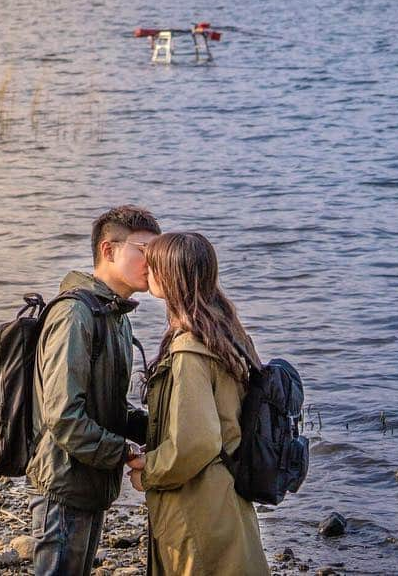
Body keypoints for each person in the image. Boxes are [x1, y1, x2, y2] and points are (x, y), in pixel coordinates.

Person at [27, 205, 162, 576]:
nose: (153, 263)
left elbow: (110, 407)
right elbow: (64, 416)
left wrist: (165, 430)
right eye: (144, 251)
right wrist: (124, 452)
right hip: (63, 484)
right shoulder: (76, 314)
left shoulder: (114, 315)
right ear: (109, 250)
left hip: (89, 481)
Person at [127, 231, 270, 576]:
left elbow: (196, 442)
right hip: (229, 495)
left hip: (200, 503)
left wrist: (148, 469)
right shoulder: (227, 333)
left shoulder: (190, 349)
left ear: (172, 278)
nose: (146, 269)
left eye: (154, 264)